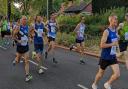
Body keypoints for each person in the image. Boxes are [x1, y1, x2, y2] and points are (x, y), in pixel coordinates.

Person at [92, 14, 120, 89]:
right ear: (110, 20)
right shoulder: (106, 31)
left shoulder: (115, 31)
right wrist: (112, 44)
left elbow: (115, 43)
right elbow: (102, 45)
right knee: (100, 74)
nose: (116, 20)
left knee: (117, 74)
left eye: (117, 19)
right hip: (105, 57)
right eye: (115, 19)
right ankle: (94, 84)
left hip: (112, 56)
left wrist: (117, 41)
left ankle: (107, 84)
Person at [13, 16, 32, 82]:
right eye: (23, 19)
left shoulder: (27, 27)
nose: (25, 20)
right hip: (20, 46)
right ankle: (16, 60)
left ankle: (27, 76)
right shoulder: (18, 27)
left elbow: (28, 35)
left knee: (27, 60)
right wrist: (18, 41)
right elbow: (13, 36)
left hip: (26, 46)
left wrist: (30, 38)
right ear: (21, 20)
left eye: (26, 19)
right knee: (18, 59)